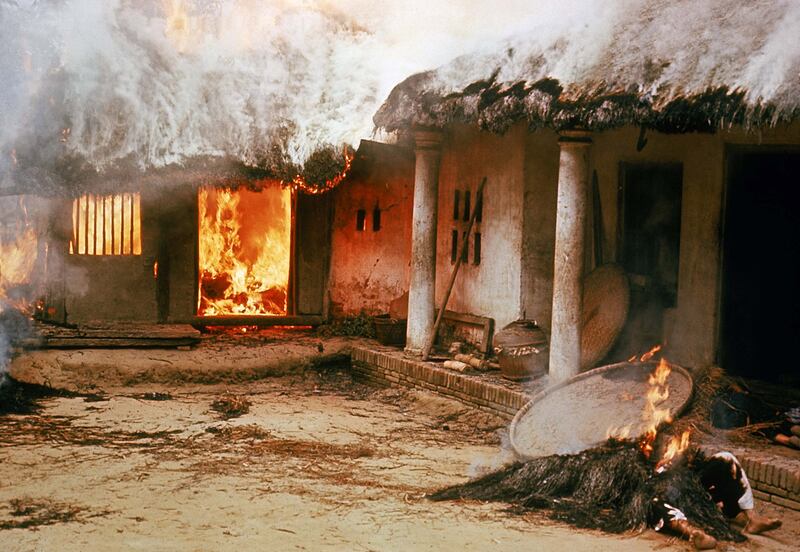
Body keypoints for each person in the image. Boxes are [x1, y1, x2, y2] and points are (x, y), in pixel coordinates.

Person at [650, 451, 782, 550]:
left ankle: (752, 518)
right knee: (654, 501)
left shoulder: (660, 439)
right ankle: (694, 533)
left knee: (726, 458)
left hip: (690, 482)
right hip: (663, 492)